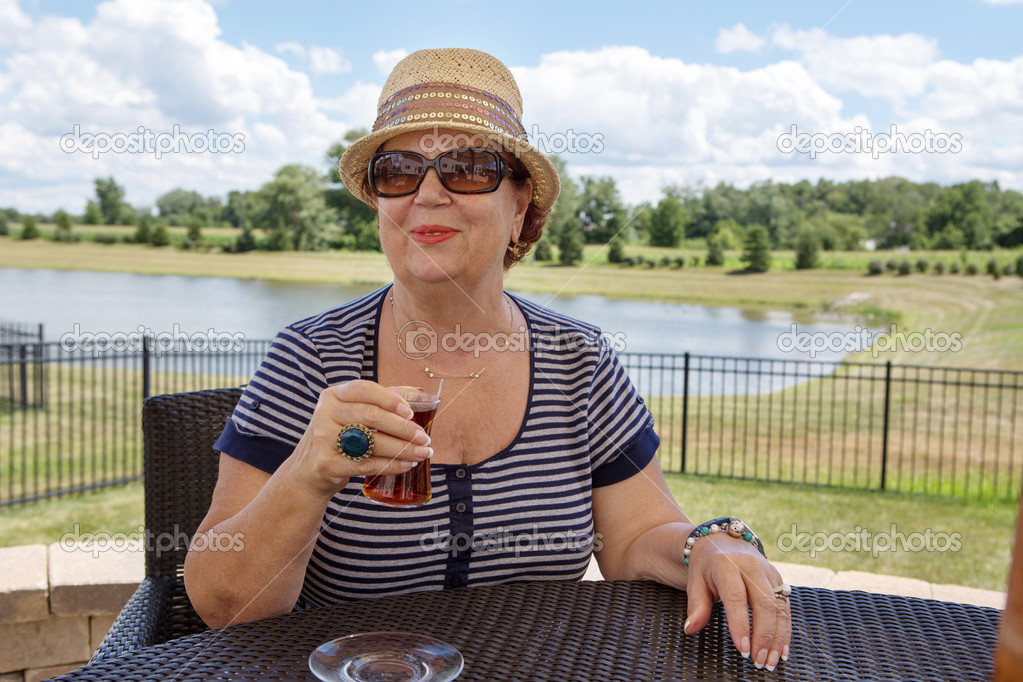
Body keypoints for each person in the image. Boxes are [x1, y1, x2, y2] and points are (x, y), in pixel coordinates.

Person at [184, 47, 791, 672]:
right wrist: (307, 474)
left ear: (521, 204)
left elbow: (637, 537)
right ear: (378, 202)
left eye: (466, 167)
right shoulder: (311, 357)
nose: (427, 194)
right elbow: (222, 604)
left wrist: (711, 547)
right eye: (398, 170)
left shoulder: (577, 359)